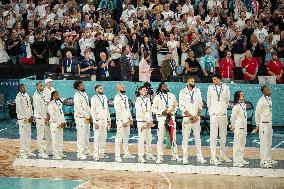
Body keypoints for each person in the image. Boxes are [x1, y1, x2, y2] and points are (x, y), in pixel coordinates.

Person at [179, 77, 207, 165]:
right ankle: (185, 157)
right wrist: (191, 116)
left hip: (196, 119)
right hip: (187, 118)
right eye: (191, 81)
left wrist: (197, 116)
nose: (193, 82)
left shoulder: (197, 91)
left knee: (197, 138)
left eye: (194, 81)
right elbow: (181, 106)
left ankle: (200, 157)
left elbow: (200, 104)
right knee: (185, 138)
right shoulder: (182, 92)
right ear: (187, 81)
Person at [152, 82, 182, 164]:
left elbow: (176, 106)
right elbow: (153, 109)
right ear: (161, 88)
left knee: (173, 138)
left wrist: (172, 112)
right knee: (160, 138)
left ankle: (174, 155)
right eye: (164, 86)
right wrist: (161, 112)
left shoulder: (172, 96)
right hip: (162, 119)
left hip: (171, 118)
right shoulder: (157, 97)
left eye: (166, 85)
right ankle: (159, 156)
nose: (166, 87)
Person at [207, 74, 232, 165]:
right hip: (214, 115)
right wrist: (211, 113)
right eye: (213, 79)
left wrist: (223, 109)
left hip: (223, 114)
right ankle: (213, 157)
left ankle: (222, 155)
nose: (214, 81)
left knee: (223, 136)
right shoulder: (210, 88)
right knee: (213, 136)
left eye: (215, 79)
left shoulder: (226, 87)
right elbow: (208, 101)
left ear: (219, 79)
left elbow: (227, 100)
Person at [255, 85, 278, 168]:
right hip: (263, 124)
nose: (269, 90)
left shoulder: (269, 99)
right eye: (267, 90)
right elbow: (257, 113)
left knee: (269, 143)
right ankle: (263, 161)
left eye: (269, 89)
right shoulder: (261, 101)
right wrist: (257, 125)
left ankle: (268, 158)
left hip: (269, 124)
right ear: (264, 92)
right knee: (264, 143)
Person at [114, 84, 135, 162]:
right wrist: (124, 120)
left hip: (127, 120)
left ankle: (126, 153)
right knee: (119, 138)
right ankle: (117, 155)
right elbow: (118, 110)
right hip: (121, 121)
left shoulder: (125, 97)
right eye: (122, 87)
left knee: (126, 138)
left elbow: (128, 109)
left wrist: (130, 118)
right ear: (118, 89)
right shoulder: (117, 98)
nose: (124, 88)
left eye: (124, 87)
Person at [135, 86, 156, 163]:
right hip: (141, 122)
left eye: (146, 90)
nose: (145, 91)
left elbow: (149, 111)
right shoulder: (138, 100)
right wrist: (147, 121)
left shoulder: (147, 99)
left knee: (149, 139)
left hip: (148, 122)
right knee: (141, 139)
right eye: (143, 90)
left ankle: (149, 154)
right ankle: (140, 157)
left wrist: (151, 121)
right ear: (140, 91)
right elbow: (140, 112)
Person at [91, 85, 111, 161]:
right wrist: (95, 122)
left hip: (104, 120)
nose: (102, 89)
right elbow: (92, 110)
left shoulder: (105, 97)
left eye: (102, 88)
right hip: (98, 120)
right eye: (100, 88)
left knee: (103, 137)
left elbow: (107, 109)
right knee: (97, 138)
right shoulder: (94, 98)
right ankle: (95, 154)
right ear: (96, 90)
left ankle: (101, 153)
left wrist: (109, 119)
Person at [73, 80, 92, 160]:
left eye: (83, 85)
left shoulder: (84, 94)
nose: (83, 86)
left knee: (86, 135)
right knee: (81, 135)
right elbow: (79, 109)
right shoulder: (76, 96)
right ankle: (79, 153)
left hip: (86, 118)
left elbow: (87, 106)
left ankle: (85, 149)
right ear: (78, 87)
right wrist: (87, 116)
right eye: (81, 85)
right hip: (80, 118)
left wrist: (90, 115)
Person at [32, 81, 51, 159]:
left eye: (42, 85)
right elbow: (38, 108)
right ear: (37, 87)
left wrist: (47, 114)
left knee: (43, 135)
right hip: (40, 117)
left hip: (44, 117)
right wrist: (45, 117)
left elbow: (46, 103)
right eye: (40, 85)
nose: (42, 87)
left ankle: (43, 150)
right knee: (40, 135)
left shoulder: (42, 94)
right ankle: (40, 152)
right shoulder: (36, 95)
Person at [15, 84, 34, 159]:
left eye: (24, 87)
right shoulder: (18, 97)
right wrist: (27, 117)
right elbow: (20, 109)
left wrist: (31, 116)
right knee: (23, 137)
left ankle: (28, 151)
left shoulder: (26, 95)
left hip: (28, 119)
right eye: (22, 87)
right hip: (22, 120)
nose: (24, 88)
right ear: (19, 89)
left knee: (28, 136)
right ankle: (22, 153)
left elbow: (30, 106)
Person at [230, 91, 249, 167]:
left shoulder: (244, 105)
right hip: (238, 127)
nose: (243, 95)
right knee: (237, 145)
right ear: (237, 97)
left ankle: (240, 159)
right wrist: (232, 126)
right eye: (241, 94)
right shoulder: (236, 107)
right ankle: (236, 161)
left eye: (243, 94)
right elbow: (232, 118)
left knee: (242, 144)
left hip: (244, 127)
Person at [48, 91, 66, 160]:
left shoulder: (59, 103)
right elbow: (53, 116)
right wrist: (59, 123)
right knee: (55, 139)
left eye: (58, 95)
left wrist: (64, 122)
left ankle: (59, 152)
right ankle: (55, 154)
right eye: (56, 95)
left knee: (60, 139)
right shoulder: (51, 104)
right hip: (54, 124)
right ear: (53, 96)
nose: (57, 96)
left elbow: (61, 114)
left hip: (60, 124)